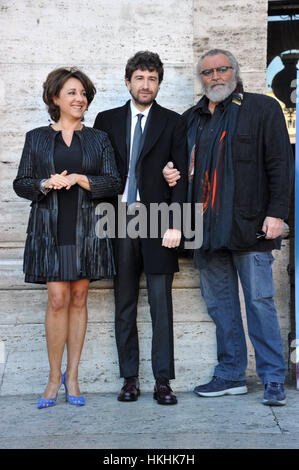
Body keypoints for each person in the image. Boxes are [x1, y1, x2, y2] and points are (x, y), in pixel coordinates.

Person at [163, 49, 294, 406]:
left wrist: (277, 214)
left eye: (223, 69)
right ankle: (232, 374)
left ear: (234, 72)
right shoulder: (189, 119)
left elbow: (281, 164)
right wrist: (169, 173)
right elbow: (178, 168)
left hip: (251, 225)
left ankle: (271, 378)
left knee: (259, 302)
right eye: (208, 72)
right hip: (206, 230)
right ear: (201, 79)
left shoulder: (263, 109)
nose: (216, 76)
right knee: (220, 306)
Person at [13, 67, 121, 408]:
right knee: (57, 299)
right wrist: (45, 183)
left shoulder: (98, 139)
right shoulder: (36, 138)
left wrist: (77, 177)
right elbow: (21, 183)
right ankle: (51, 377)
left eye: (84, 93)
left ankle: (72, 377)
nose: (80, 99)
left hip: (87, 228)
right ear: (55, 98)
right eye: (72, 92)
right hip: (50, 228)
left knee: (79, 299)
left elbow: (113, 182)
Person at [94, 51, 187, 405]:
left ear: (159, 83)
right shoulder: (106, 119)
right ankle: (129, 379)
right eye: (140, 78)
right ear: (128, 81)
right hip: (117, 219)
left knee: (161, 304)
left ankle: (163, 380)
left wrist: (177, 222)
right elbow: (98, 169)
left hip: (159, 220)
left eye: (152, 79)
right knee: (125, 302)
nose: (145, 84)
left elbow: (181, 178)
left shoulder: (173, 122)